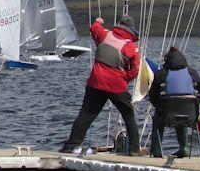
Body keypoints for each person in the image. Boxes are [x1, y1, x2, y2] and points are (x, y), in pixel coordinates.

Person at [60, 16, 145, 155]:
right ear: (131, 30)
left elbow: (94, 28)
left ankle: (70, 146)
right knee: (128, 115)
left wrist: (98, 22)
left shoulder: (105, 35)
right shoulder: (130, 46)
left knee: (86, 115)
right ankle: (135, 149)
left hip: (96, 82)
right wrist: (125, 78)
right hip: (117, 84)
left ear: (119, 25)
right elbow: (135, 70)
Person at [148, 47, 200, 158]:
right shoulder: (192, 72)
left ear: (166, 60)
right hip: (190, 115)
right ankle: (184, 148)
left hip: (167, 114)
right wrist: (195, 104)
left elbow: (153, 96)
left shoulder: (161, 73)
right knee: (181, 116)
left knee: (159, 120)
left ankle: (157, 151)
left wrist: (158, 105)